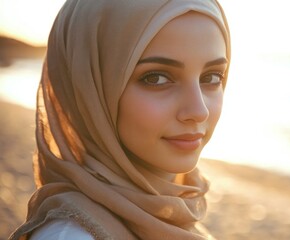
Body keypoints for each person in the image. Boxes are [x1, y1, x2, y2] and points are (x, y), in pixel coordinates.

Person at [9, 0, 230, 239]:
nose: (199, 111)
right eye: (155, 78)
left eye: (212, 77)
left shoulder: (177, 215)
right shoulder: (72, 236)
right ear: (89, 88)